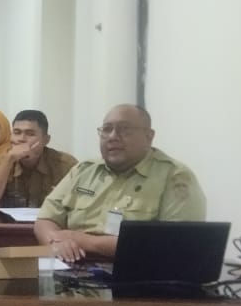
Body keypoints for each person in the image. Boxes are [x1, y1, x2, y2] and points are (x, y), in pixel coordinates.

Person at [35, 104, 207, 262]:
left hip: (137, 274)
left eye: (124, 129)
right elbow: (45, 219)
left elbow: (175, 243)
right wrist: (55, 242)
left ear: (149, 136)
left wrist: (85, 241)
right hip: (73, 268)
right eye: (107, 129)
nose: (112, 137)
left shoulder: (174, 177)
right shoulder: (84, 170)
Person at [0, 109, 77, 208]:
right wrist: (9, 160)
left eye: (30, 134)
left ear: (46, 140)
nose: (21, 139)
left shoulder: (65, 164)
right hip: (7, 219)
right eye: (17, 133)